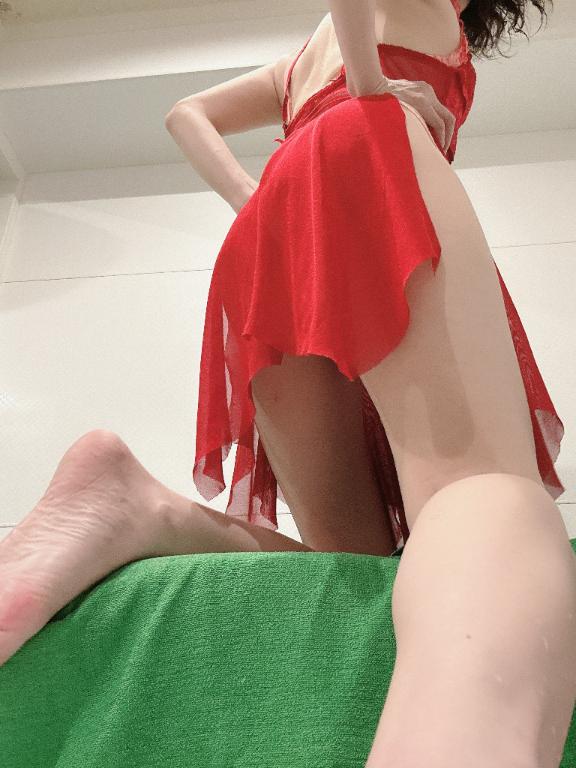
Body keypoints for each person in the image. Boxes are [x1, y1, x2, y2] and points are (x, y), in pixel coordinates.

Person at [1, 1, 574, 765]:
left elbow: (185, 114)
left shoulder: (299, 61)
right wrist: (372, 91)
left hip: (273, 234)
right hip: (362, 157)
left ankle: (150, 511)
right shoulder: (432, 12)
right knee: (475, 483)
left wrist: (257, 200)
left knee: (352, 569)